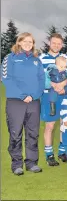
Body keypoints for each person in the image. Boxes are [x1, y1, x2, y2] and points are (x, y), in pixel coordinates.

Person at [2, 32, 45, 175]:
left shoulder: (36, 60)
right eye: (25, 41)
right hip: (16, 101)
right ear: (19, 42)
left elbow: (41, 80)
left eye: (30, 42)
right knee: (15, 133)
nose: (28, 44)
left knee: (33, 133)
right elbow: (6, 79)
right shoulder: (10, 58)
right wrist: (22, 95)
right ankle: (17, 164)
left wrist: (34, 95)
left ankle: (32, 163)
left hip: (33, 102)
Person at [38, 33, 67, 165]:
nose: (56, 45)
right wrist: (54, 85)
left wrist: (63, 84)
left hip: (64, 95)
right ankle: (49, 155)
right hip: (49, 95)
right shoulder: (41, 58)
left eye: (59, 43)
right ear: (49, 43)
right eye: (54, 43)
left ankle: (62, 152)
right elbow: (40, 78)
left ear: (62, 45)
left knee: (64, 124)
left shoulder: (65, 58)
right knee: (50, 125)